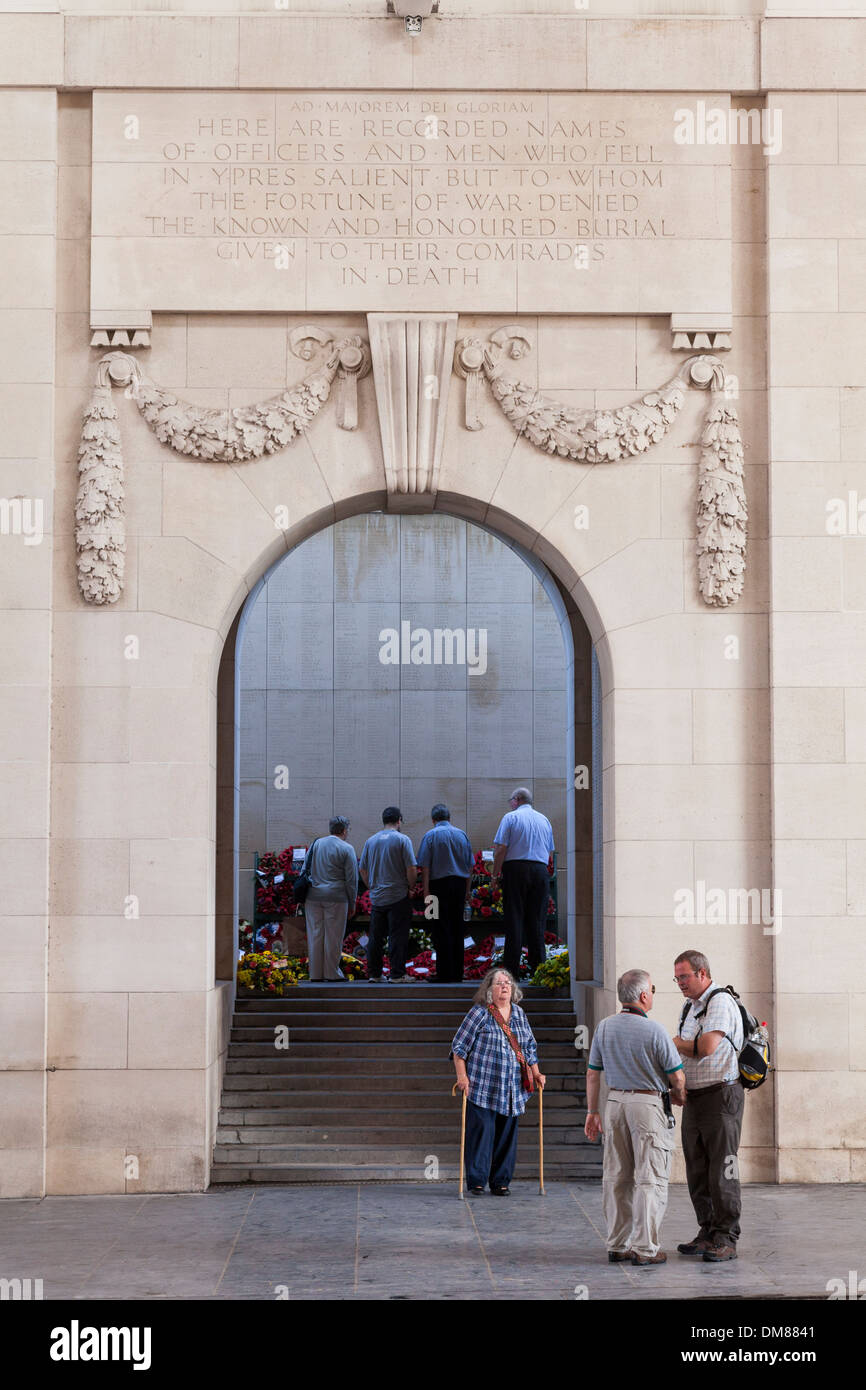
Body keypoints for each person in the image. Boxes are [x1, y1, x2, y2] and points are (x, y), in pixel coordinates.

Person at [585, 969, 686, 1266]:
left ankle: (617, 1244)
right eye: (652, 989)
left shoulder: (604, 1027)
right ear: (644, 996)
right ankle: (645, 1248)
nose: (653, 993)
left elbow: (593, 1073)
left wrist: (592, 1112)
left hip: (614, 1102)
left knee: (616, 1176)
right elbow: (676, 1076)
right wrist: (679, 1094)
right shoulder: (654, 1031)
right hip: (647, 1104)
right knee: (650, 1178)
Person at [671, 949, 745, 1263]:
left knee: (723, 1168)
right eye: (676, 979)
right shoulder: (690, 1007)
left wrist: (673, 1042)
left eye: (684, 977)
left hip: (721, 1096)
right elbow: (687, 1056)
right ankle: (708, 1231)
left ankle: (726, 1237)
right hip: (696, 1097)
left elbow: (705, 1048)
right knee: (697, 1168)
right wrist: (679, 1084)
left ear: (702, 973)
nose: (680, 984)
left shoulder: (720, 1002)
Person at [450, 967, 545, 1195]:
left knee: (506, 1135)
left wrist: (537, 1072)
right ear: (489, 990)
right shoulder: (479, 1013)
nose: (505, 987)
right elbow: (459, 1048)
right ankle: (477, 1180)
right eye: (499, 983)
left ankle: (501, 1181)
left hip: (512, 1088)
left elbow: (529, 1047)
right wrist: (462, 1077)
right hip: (483, 1086)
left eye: (508, 983)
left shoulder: (519, 1014)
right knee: (481, 1132)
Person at [491, 787, 554, 979]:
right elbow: (550, 852)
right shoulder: (544, 820)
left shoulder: (510, 818)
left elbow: (501, 848)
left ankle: (512, 973)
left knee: (514, 920)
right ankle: (539, 971)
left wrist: (495, 875)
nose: (510, 804)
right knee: (537, 921)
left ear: (517, 799)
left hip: (516, 870)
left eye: (510, 800)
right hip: (540, 871)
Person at [358, 806, 418, 982]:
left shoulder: (371, 841)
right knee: (397, 935)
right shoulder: (402, 839)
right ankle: (397, 974)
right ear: (399, 820)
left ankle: (375, 974)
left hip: (377, 897)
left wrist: (372, 886)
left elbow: (362, 869)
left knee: (376, 937)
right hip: (398, 895)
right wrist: (411, 886)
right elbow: (411, 867)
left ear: (383, 820)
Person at [417, 804, 473, 983]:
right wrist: (467, 890)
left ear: (433, 820)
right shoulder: (461, 835)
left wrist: (426, 892)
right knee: (457, 928)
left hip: (436, 887)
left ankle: (443, 972)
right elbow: (469, 865)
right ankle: (457, 972)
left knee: (439, 927)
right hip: (458, 885)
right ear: (449, 818)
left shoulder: (430, 835)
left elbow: (425, 866)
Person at [302, 816, 358, 982]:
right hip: (336, 897)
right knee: (333, 936)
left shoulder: (316, 844)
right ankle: (332, 973)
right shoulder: (347, 848)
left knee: (315, 935)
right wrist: (352, 902)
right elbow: (351, 880)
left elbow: (305, 869)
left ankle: (315, 974)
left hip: (313, 896)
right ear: (344, 830)